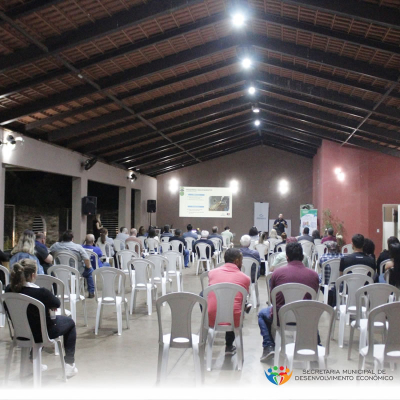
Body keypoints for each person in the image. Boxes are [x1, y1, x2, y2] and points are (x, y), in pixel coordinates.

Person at [5, 259, 78, 377]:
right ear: (33, 275)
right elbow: (57, 303)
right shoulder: (41, 293)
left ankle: (30, 362)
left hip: (20, 333)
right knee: (69, 323)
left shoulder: (8, 289)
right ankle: (69, 363)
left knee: (36, 322)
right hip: (40, 334)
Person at [258, 242, 319, 362]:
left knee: (261, 314)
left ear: (287, 257)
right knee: (311, 317)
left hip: (281, 317)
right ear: (302, 257)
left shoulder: (277, 273)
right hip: (305, 318)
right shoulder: (314, 275)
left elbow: (272, 300)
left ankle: (268, 346)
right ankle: (316, 346)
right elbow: (313, 299)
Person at [207, 248, 250, 355]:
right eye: (241, 260)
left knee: (204, 296)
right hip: (234, 320)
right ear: (236, 261)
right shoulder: (245, 278)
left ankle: (206, 325)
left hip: (212, 317)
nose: (242, 263)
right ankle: (229, 345)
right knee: (234, 305)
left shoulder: (211, 273)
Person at [50, 230, 94, 298]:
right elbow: (86, 259)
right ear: (72, 238)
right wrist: (88, 267)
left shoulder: (55, 246)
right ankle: (91, 292)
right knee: (90, 271)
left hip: (59, 271)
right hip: (76, 271)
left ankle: (54, 292)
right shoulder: (78, 247)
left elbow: (49, 254)